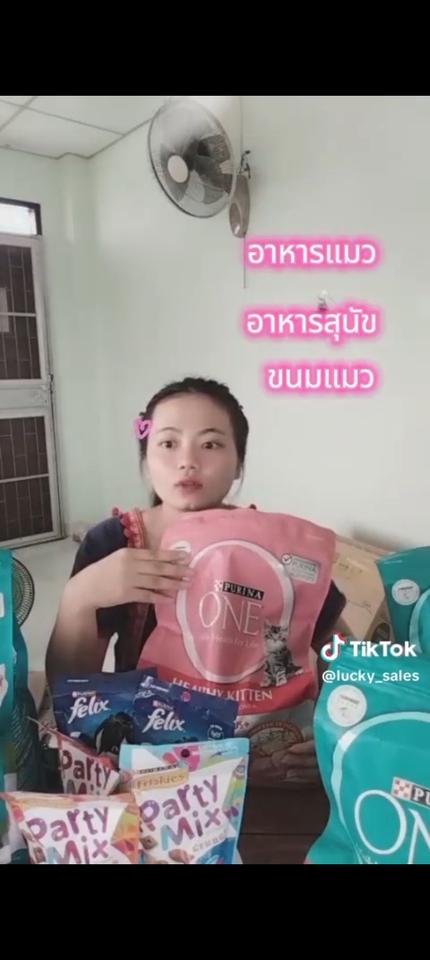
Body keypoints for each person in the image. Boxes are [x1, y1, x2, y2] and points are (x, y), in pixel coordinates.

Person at [46, 376, 345, 783]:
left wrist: (338, 731)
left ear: (239, 463)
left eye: (211, 444)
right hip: (150, 764)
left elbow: (345, 652)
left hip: (263, 760)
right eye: (168, 443)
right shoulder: (114, 543)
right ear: (146, 459)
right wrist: (79, 597)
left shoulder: (277, 551)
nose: (187, 461)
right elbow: (72, 694)